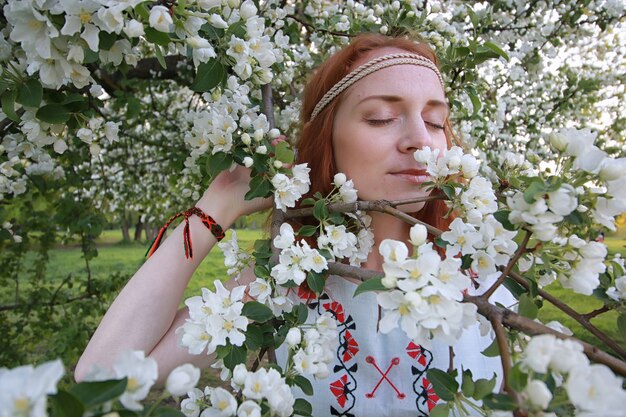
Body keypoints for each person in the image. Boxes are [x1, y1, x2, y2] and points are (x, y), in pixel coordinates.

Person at [76, 33, 513, 417]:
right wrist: (218, 206)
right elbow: (104, 376)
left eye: (436, 122)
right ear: (327, 140)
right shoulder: (292, 278)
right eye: (381, 116)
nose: (420, 138)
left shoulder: (485, 270)